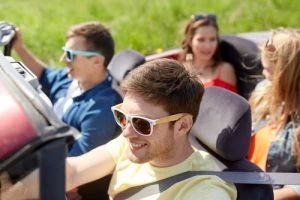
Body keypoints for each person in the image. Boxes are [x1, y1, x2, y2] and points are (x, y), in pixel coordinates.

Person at [2, 59, 237, 200]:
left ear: (183, 125)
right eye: (123, 117)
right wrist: (9, 188)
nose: (127, 132)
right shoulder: (135, 144)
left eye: (143, 124)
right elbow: (71, 172)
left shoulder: (205, 192)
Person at [12, 21, 122, 156]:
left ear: (97, 61)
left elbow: (80, 160)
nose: (62, 59)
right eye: (64, 52)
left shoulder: (101, 108)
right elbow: (43, 74)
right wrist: (19, 48)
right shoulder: (72, 78)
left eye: (70, 55)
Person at [247, 29, 300, 200]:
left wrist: (268, 197)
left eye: (269, 72)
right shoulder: (263, 91)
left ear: (286, 75)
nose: (263, 75)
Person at [179, 13, 237, 93]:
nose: (207, 46)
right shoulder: (181, 70)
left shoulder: (225, 70)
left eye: (212, 39)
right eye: (201, 40)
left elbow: (233, 103)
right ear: (190, 41)